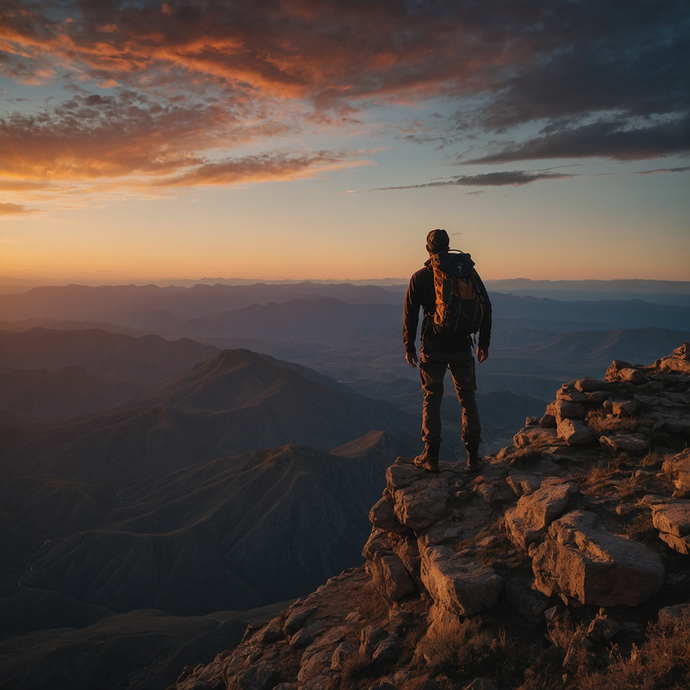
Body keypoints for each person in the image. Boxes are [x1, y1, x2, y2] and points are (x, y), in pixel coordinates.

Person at [403, 229, 492, 472]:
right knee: (467, 399)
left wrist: (409, 346)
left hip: (433, 346)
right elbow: (486, 305)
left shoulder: (420, 277)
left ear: (427, 249)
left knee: (432, 398)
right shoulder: (467, 273)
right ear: (448, 246)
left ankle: (430, 457)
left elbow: (410, 315)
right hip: (463, 345)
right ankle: (473, 458)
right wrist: (483, 344)